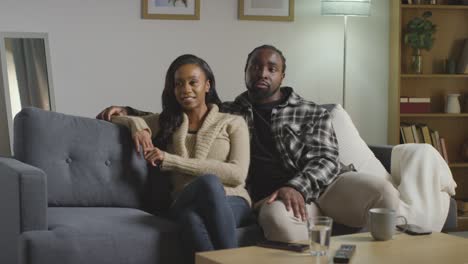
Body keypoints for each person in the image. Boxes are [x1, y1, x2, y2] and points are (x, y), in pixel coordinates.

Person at [98, 45, 399, 243]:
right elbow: (181, 113)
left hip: (325, 186)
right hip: (271, 199)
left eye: (271, 68)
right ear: (245, 71)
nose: (262, 73)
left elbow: (326, 159)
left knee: (383, 192)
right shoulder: (232, 111)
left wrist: (297, 186)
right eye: (256, 67)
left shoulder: (310, 111)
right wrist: (128, 113)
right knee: (277, 226)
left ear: (282, 74)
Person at [106, 54, 252, 262]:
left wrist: (170, 160)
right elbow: (116, 119)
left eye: (193, 82)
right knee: (200, 194)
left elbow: (237, 175)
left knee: (194, 214)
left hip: (232, 199)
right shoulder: (167, 121)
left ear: (207, 85)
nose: (185, 89)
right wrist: (139, 127)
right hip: (184, 198)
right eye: (178, 84)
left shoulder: (233, 123)